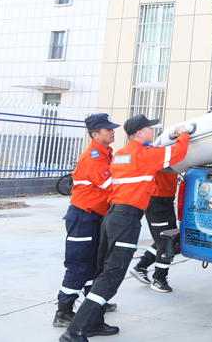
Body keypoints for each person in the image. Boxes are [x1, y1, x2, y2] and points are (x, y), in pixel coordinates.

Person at [59, 115, 189, 342]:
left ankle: (94, 323)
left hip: (111, 217)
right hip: (125, 219)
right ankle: (75, 331)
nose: (153, 131)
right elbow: (178, 152)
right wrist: (183, 133)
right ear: (140, 133)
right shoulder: (145, 155)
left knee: (102, 271)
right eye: (150, 128)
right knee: (112, 274)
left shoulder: (119, 154)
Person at [53, 113, 120, 330]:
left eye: (112, 128)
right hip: (83, 216)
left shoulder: (106, 152)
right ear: (95, 134)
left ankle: (93, 303)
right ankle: (63, 312)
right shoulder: (94, 156)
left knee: (94, 263)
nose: (112, 132)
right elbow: (111, 184)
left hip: (95, 215)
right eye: (107, 129)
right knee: (79, 265)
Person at [129, 168, 179, 292]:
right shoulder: (159, 158)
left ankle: (141, 266)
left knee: (166, 239)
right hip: (157, 204)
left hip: (166, 202)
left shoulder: (171, 160)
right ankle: (159, 279)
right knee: (166, 243)